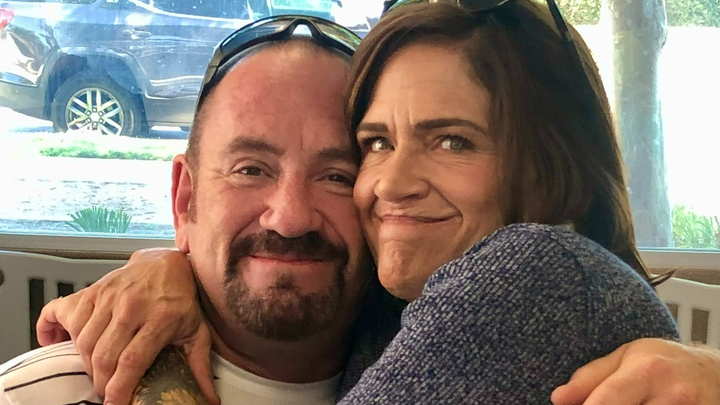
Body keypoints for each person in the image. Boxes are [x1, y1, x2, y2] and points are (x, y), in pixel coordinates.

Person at [33, 3, 720, 405]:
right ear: (185, 195)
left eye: (452, 141)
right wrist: (171, 266)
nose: (391, 182)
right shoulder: (392, 315)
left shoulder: (527, 271)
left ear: (549, 167)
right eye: (377, 143)